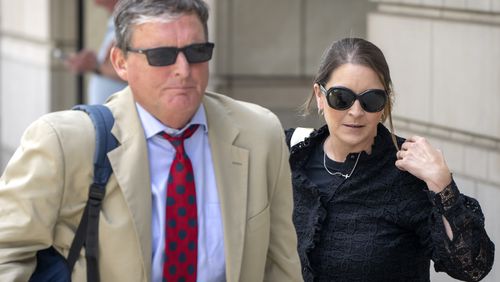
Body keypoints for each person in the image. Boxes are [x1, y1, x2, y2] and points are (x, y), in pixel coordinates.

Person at [0, 0, 302, 281]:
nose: (183, 70)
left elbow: (281, 264)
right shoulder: (62, 143)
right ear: (120, 61)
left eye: (197, 52)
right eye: (162, 55)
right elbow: (8, 253)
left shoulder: (259, 134)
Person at [286, 37, 494, 281]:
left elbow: (473, 267)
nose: (355, 111)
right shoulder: (288, 156)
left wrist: (442, 184)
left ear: (385, 104)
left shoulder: (408, 173)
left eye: (370, 100)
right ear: (320, 97)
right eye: (340, 97)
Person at [65, 0, 127, 104]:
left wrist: (94, 66)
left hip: (120, 114)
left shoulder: (128, 19)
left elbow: (133, 71)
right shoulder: (116, 19)